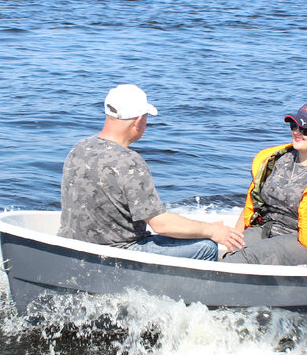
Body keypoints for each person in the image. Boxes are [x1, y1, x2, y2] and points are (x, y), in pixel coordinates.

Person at [59, 84, 245, 260]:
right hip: (117, 254)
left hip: (74, 247)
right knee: (206, 247)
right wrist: (212, 231)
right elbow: (161, 224)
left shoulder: (79, 148)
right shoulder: (130, 162)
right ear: (138, 119)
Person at [222, 102, 307, 267]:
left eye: (305, 129)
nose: (297, 133)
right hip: (269, 228)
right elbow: (251, 203)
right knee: (233, 253)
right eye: (294, 126)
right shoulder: (279, 160)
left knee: (248, 258)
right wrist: (235, 239)